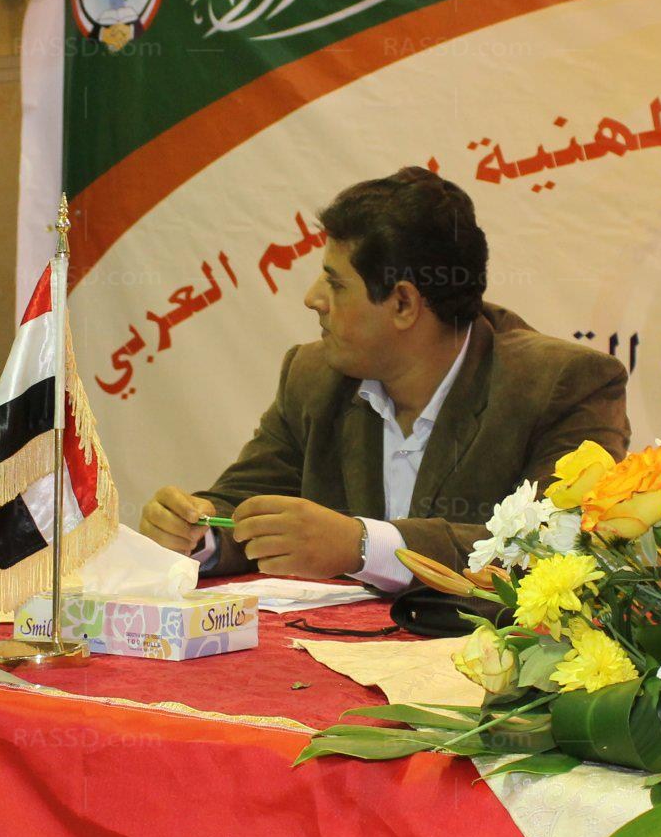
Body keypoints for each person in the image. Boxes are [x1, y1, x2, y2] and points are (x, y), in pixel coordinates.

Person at [138, 166, 629, 589]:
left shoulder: (564, 385)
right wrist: (197, 533)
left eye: (335, 283)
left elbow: (556, 549)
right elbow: (242, 506)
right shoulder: (313, 377)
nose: (313, 299)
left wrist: (362, 546)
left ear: (403, 304)